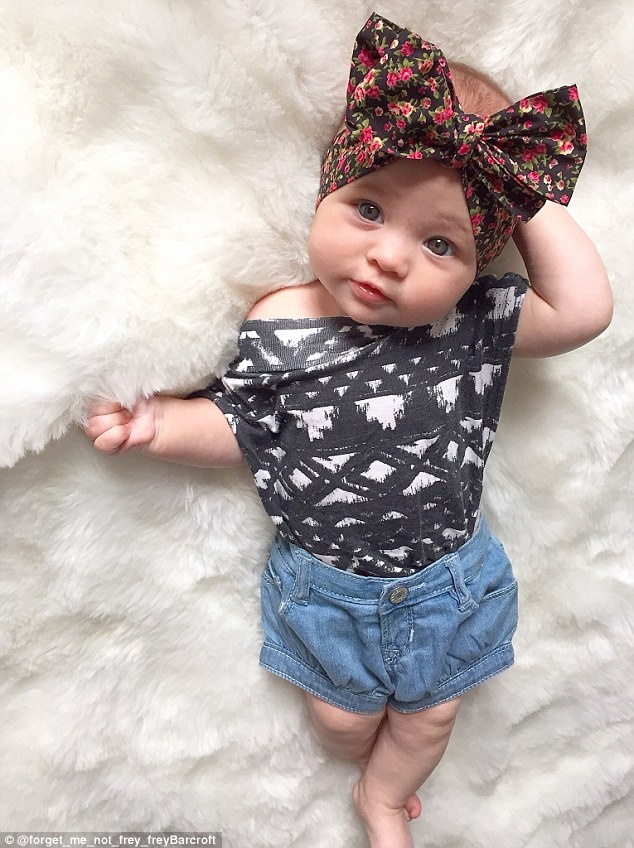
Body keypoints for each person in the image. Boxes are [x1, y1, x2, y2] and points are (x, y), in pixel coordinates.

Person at [84, 13, 612, 848]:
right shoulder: (280, 321)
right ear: (325, 189)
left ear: (478, 265)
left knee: (431, 720)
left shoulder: (472, 321)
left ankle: (383, 797)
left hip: (449, 585)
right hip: (326, 591)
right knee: (340, 721)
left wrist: (513, 185)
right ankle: (358, 759)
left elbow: (585, 311)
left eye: (439, 243)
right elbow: (244, 430)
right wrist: (160, 423)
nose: (391, 257)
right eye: (368, 208)